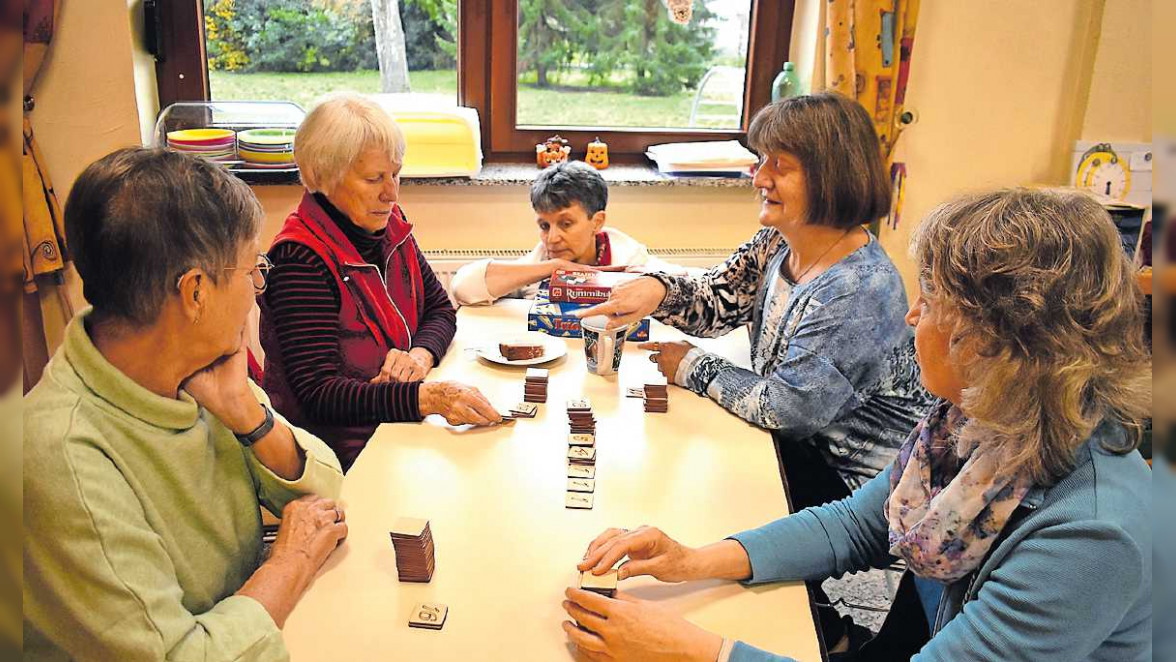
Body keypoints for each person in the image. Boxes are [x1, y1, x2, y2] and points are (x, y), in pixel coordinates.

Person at [564, 188, 1152, 661]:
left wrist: (698, 652)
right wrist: (693, 559)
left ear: (998, 341)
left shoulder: (1090, 537)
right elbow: (855, 525)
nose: (911, 315)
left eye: (931, 301)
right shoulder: (978, 420)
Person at [24, 148, 349, 660]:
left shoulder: (192, 368)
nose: (256, 291)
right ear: (196, 293)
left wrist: (247, 414)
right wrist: (289, 563)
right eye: (252, 270)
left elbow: (328, 495)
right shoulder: (62, 458)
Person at [260, 92, 500, 471]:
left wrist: (419, 357)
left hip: (393, 434)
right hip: (337, 459)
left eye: (395, 174)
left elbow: (440, 309)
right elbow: (319, 395)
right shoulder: (299, 259)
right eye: (374, 179)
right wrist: (426, 398)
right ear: (324, 177)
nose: (391, 193)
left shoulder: (389, 224)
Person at [450, 160, 688, 306]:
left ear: (597, 222)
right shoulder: (540, 261)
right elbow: (463, 287)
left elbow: (689, 286)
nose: (552, 239)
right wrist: (555, 267)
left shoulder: (628, 257)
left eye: (566, 224)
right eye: (544, 226)